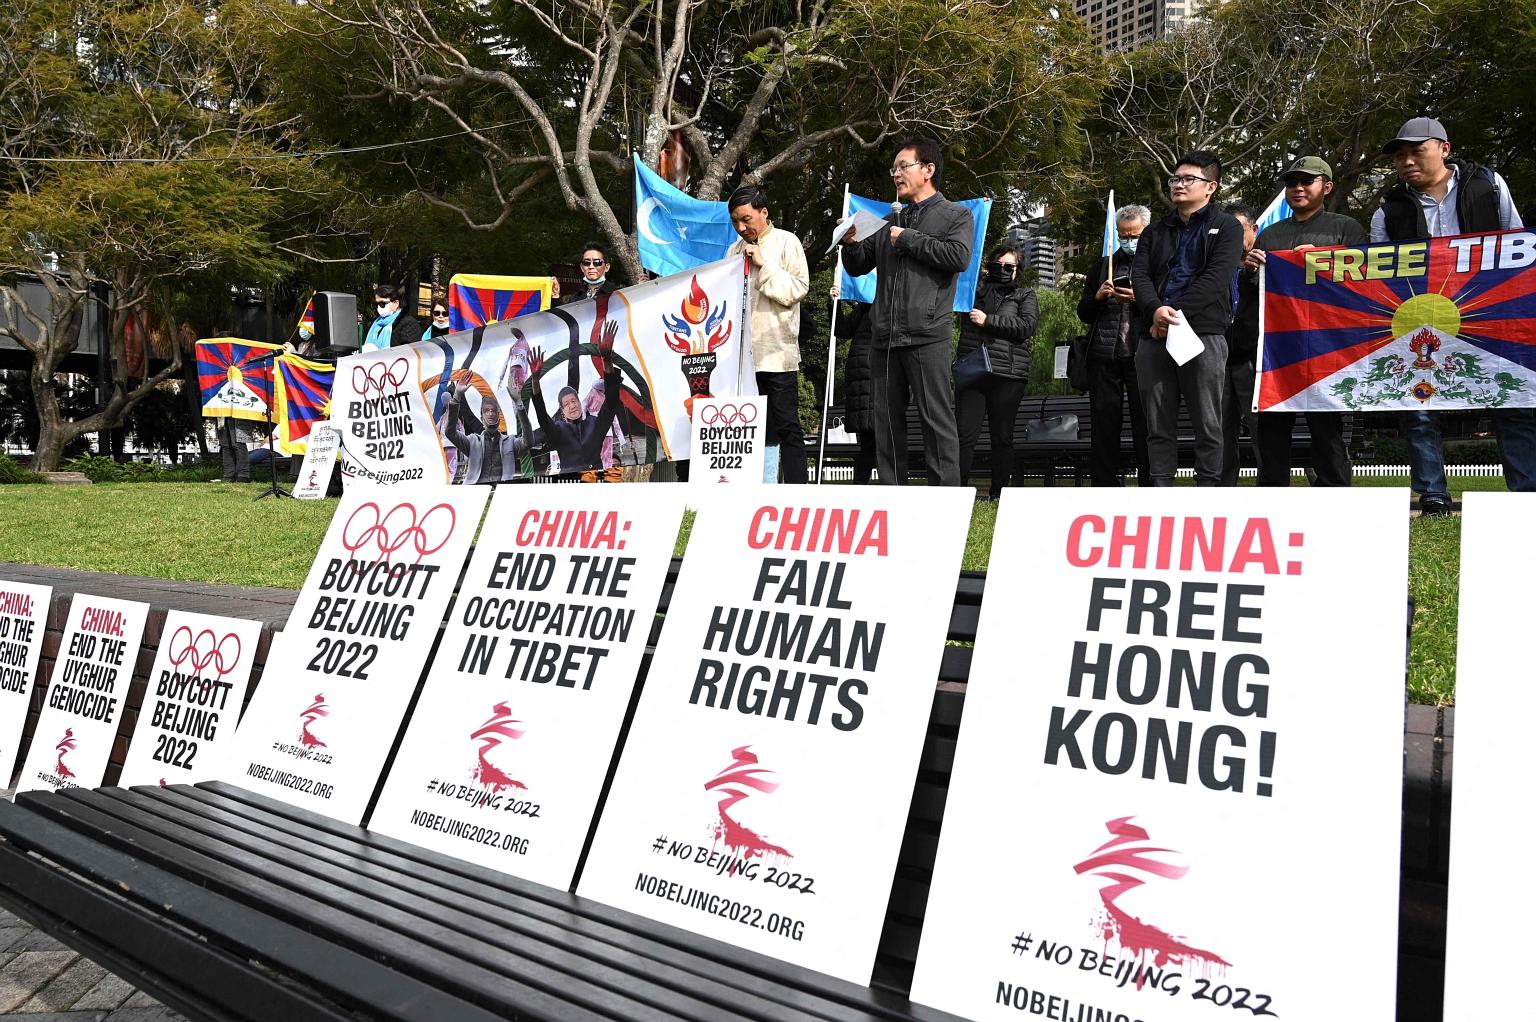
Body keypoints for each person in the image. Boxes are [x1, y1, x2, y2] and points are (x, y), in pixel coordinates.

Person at [1370, 117, 1533, 511]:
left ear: (1444, 148)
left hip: (1491, 314)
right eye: (1399, 156)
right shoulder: (1387, 211)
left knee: (1510, 398)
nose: (1406, 161)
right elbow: (1373, 272)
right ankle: (1433, 494)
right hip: (1421, 319)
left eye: (1416, 151)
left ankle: (1527, 493)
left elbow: (1518, 246)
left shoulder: (1489, 187)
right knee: (1419, 406)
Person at [841, 136, 974, 486]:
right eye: (894, 169)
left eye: (904, 166)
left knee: (935, 420)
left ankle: (945, 500)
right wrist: (850, 244)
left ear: (928, 170)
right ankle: (892, 497)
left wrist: (909, 239)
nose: (896, 174)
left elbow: (957, 257)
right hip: (884, 335)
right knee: (885, 422)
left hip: (927, 334)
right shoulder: (885, 220)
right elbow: (857, 267)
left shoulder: (955, 215)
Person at [1244, 157, 1366, 487]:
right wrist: (1251, 268)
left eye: (1306, 181)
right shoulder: (1269, 235)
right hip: (1278, 347)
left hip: (1328, 343)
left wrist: (1326, 260)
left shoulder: (1346, 228)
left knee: (1326, 426)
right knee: (1272, 427)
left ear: (1326, 187)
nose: (1297, 188)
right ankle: (1272, 495)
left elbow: (1366, 286)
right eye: (1291, 182)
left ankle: (1334, 492)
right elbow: (1254, 292)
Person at [1130, 150, 1244, 486]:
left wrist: (1172, 314)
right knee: (1157, 421)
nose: (1179, 185)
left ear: (1211, 187)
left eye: (1188, 179)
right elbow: (1140, 275)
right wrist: (1154, 310)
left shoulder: (1226, 227)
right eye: (1175, 179)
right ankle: (1160, 486)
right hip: (1154, 334)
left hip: (1203, 333)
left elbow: (1216, 279)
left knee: (1208, 421)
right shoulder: (1154, 231)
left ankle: (1208, 488)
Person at [726, 185, 811, 483]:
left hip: (777, 352)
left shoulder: (788, 243)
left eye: (746, 219)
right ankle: (751, 488)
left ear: (764, 212)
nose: (741, 227)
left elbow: (798, 289)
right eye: (735, 221)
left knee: (787, 425)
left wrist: (763, 265)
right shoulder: (733, 251)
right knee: (744, 426)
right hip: (740, 358)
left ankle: (798, 493)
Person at [1077, 205, 1153, 486]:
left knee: (1144, 424)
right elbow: (1083, 313)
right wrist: (1097, 297)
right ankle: (1104, 486)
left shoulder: (1155, 262)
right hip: (1104, 356)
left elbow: (1168, 306)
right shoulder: (1102, 265)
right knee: (1104, 425)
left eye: (1134, 235)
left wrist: (1139, 298)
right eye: (1123, 235)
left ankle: (1149, 484)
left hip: (1141, 354)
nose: (1128, 240)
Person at [954, 244, 1038, 495]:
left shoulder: (1024, 295)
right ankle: (957, 490)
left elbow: (1026, 326)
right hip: (973, 371)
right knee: (964, 435)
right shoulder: (972, 292)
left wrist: (988, 321)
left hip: (1008, 374)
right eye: (997, 265)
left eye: (1009, 266)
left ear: (1018, 271)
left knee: (1002, 436)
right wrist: (976, 278)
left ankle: (998, 493)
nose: (1002, 270)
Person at [528, 325, 623, 474]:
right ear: (562, 411)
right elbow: (542, 416)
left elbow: (611, 401)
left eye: (574, 401)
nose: (572, 406)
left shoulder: (594, 424)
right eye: (566, 404)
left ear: (580, 403)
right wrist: (535, 380)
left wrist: (606, 358)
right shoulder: (558, 430)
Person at [1221, 202, 1260, 485]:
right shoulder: (1217, 267)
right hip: (1220, 360)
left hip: (1253, 360)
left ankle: (1269, 487)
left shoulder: (1268, 264)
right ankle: (1222, 490)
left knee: (1262, 429)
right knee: (1221, 430)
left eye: (1239, 229)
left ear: (1254, 230)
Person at [829, 286, 879, 483]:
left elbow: (841, 329)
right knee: (876, 440)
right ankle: (884, 484)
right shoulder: (872, 307)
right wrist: (835, 302)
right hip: (873, 376)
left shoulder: (865, 308)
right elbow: (841, 328)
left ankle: (860, 483)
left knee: (869, 441)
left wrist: (836, 303)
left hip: (861, 377)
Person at [443, 377, 530, 484]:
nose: (490, 413)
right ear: (481, 418)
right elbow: (450, 432)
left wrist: (519, 403)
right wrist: (456, 397)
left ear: (499, 416)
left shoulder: (511, 442)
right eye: (486, 411)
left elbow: (528, 441)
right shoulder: (472, 442)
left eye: (493, 410)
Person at [554, 244, 619, 307]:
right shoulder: (576, 297)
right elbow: (565, 316)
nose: (591, 267)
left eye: (597, 262)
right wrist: (555, 295)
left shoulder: (617, 295)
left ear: (606, 267)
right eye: (586, 263)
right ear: (582, 267)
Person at [362, 285, 423, 352]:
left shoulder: (408, 323)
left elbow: (410, 353)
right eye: (376, 304)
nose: (378, 307)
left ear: (396, 303)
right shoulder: (376, 323)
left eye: (382, 303)